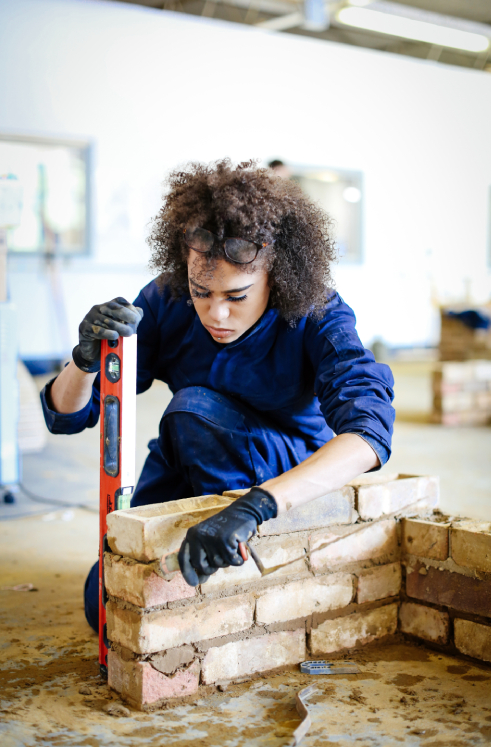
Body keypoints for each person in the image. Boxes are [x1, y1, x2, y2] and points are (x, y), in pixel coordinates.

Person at [40, 159, 395, 631]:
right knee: (103, 603)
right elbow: (66, 416)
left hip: (280, 474)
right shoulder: (168, 298)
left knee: (194, 408)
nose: (216, 313)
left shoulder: (318, 313)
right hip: (186, 452)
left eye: (237, 295)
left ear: (277, 273)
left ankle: (244, 568)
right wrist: (84, 361)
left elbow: (369, 434)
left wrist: (257, 506)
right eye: (201, 291)